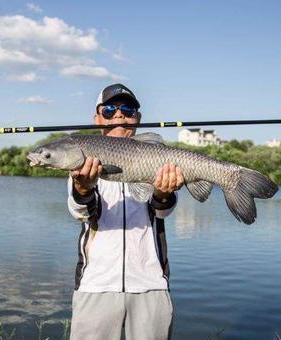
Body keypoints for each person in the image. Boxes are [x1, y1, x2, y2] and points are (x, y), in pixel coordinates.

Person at [67, 83, 184, 340]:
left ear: (138, 119)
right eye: (109, 110)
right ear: (97, 118)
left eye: (127, 110)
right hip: (95, 284)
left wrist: (164, 192)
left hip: (151, 284)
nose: (119, 115)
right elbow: (80, 211)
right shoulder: (83, 160)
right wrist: (82, 188)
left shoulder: (158, 156)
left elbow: (162, 213)